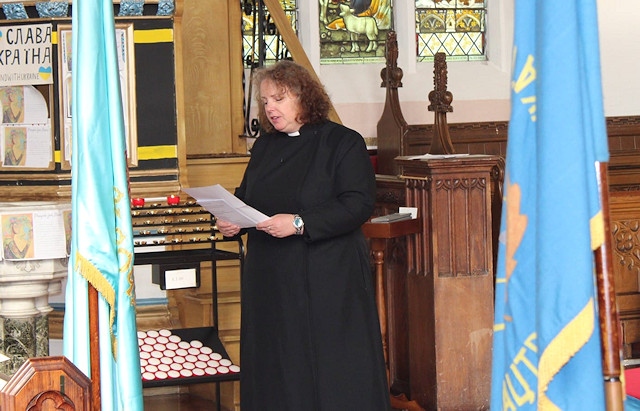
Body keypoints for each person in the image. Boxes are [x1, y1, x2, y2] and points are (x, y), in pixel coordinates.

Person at [216, 60, 390, 410]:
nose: (270, 108)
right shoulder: (265, 146)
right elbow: (247, 196)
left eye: (278, 99)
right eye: (265, 101)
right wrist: (232, 220)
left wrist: (299, 222)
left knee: (325, 368)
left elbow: (357, 204)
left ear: (303, 97)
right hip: (270, 282)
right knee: (276, 363)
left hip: (325, 279)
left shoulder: (342, 142)